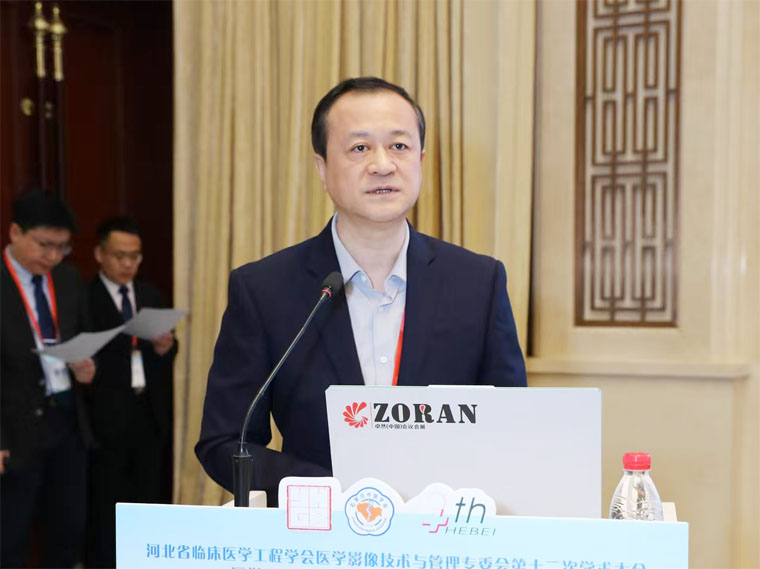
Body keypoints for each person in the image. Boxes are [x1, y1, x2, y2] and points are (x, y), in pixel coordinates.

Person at [196, 77, 527, 505]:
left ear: (420, 159)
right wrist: (337, 491)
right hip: (319, 530)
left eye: (399, 146)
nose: (382, 165)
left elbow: (512, 430)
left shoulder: (478, 283)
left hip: (444, 529)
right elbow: (226, 441)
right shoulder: (264, 290)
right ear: (322, 168)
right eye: (359, 148)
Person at [1, 189, 95, 568]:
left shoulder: (68, 279)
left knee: (67, 531)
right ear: (15, 232)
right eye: (44, 245)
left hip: (67, 423)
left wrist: (86, 369)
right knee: (9, 536)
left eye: (62, 247)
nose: (53, 256)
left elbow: (81, 337)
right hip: (14, 430)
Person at [85, 217, 176, 569]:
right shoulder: (86, 298)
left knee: (148, 498)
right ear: (100, 254)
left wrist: (167, 347)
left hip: (148, 413)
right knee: (107, 504)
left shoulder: (150, 295)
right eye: (119, 256)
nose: (128, 264)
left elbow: (166, 352)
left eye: (135, 256)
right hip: (106, 418)